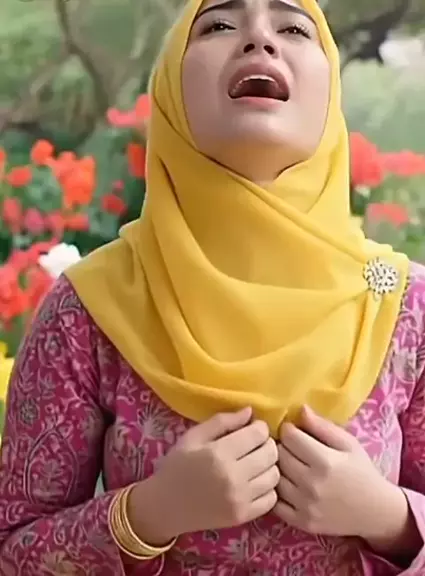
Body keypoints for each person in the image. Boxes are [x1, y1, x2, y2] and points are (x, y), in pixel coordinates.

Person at [1, 0, 425, 573]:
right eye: (220, 25)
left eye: (294, 28)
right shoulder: (89, 311)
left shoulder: (406, 311)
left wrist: (389, 518)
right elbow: (12, 549)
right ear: (171, 92)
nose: (260, 39)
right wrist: (148, 514)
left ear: (331, 94)